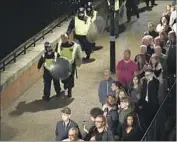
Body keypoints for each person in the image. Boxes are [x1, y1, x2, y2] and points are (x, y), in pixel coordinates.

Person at [55, 33, 82, 98]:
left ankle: (69, 91)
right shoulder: (59, 45)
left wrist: (78, 63)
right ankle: (65, 84)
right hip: (63, 64)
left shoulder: (74, 46)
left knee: (70, 78)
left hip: (71, 65)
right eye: (62, 38)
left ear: (67, 38)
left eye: (64, 38)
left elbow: (79, 54)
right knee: (64, 78)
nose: (63, 40)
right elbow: (55, 53)